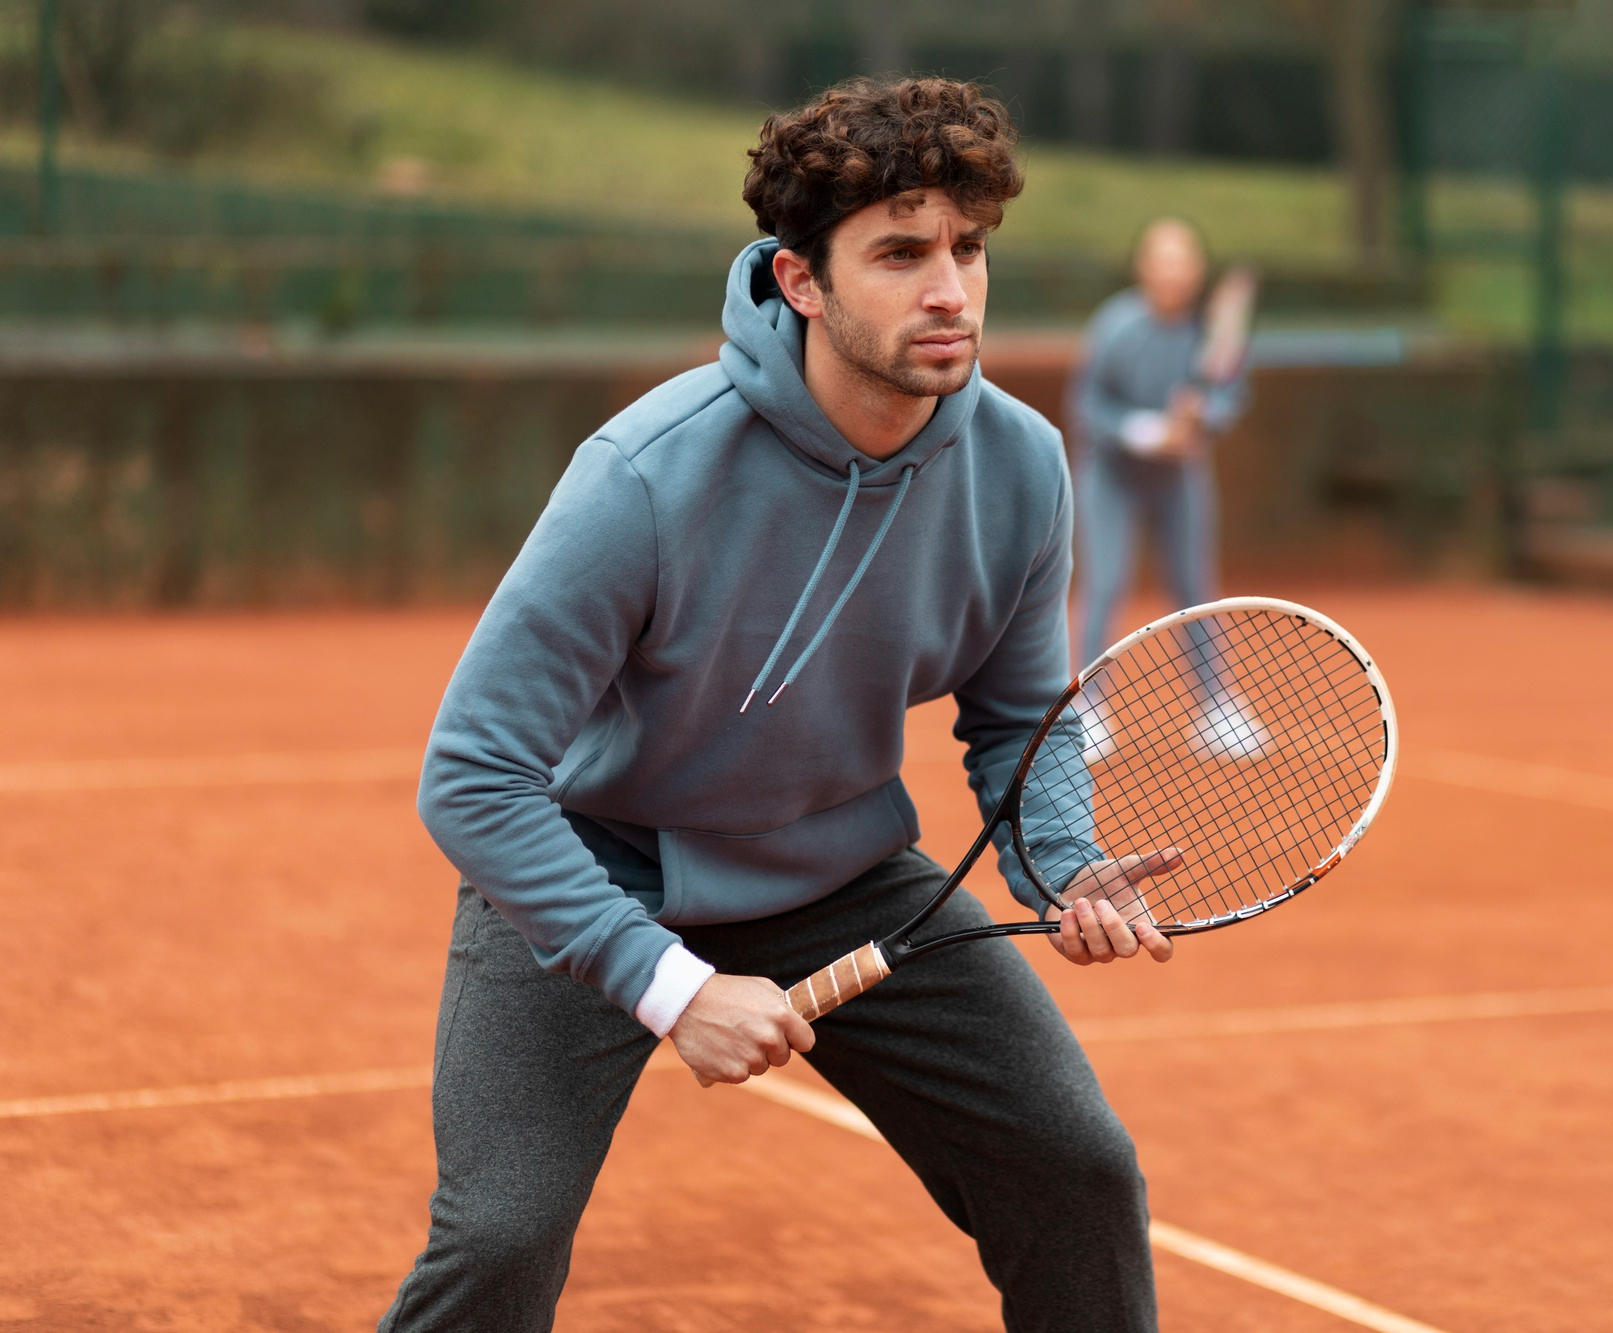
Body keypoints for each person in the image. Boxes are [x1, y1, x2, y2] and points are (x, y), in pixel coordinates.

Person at [378, 77, 1180, 1333]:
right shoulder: (642, 476)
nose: (950, 291)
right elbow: (474, 774)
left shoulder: (1021, 466)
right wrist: (670, 986)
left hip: (842, 873)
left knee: (1078, 1172)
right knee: (500, 1237)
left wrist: (1064, 861)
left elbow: (1017, 719)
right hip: (603, 868)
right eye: (900, 254)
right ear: (800, 281)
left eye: (968, 249)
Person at [1067, 219, 1261, 765]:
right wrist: (1147, 432)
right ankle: (1087, 709)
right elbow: (1087, 406)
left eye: (1185, 260)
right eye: (1164, 259)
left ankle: (1216, 707)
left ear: (1198, 271)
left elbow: (1229, 395)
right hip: (1111, 477)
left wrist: (1204, 418)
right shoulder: (1115, 328)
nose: (1175, 272)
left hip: (1182, 480)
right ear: (1144, 268)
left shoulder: (1211, 333)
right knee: (1105, 585)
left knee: (1196, 590)